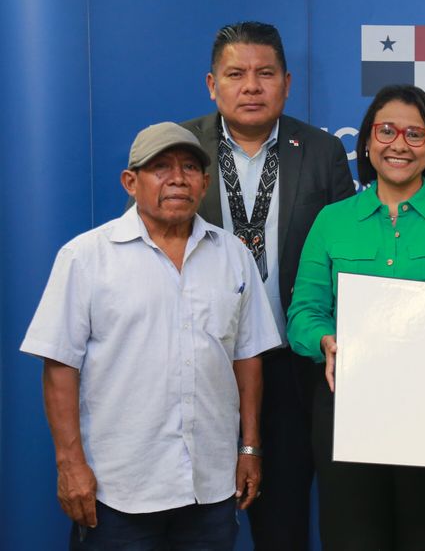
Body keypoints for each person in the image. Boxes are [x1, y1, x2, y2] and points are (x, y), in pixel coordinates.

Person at [21, 122, 281, 550]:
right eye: (161, 167)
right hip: (119, 490)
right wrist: (69, 464)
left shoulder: (234, 255)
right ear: (131, 181)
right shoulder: (85, 257)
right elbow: (59, 365)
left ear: (204, 183)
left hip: (210, 488)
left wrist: (249, 448)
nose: (177, 178)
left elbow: (247, 356)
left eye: (189, 168)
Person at [286, 84, 425, 550]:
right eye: (387, 131)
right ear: (367, 141)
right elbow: (304, 313)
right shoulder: (331, 220)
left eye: (415, 134)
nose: (400, 144)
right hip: (346, 406)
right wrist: (325, 340)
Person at [181, 21, 355, 550]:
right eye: (236, 74)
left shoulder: (321, 151)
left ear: (287, 82)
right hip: (201, 364)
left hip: (289, 366)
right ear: (212, 84)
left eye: (265, 74)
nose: (251, 87)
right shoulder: (180, 149)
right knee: (188, 520)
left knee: (282, 523)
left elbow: (345, 259)